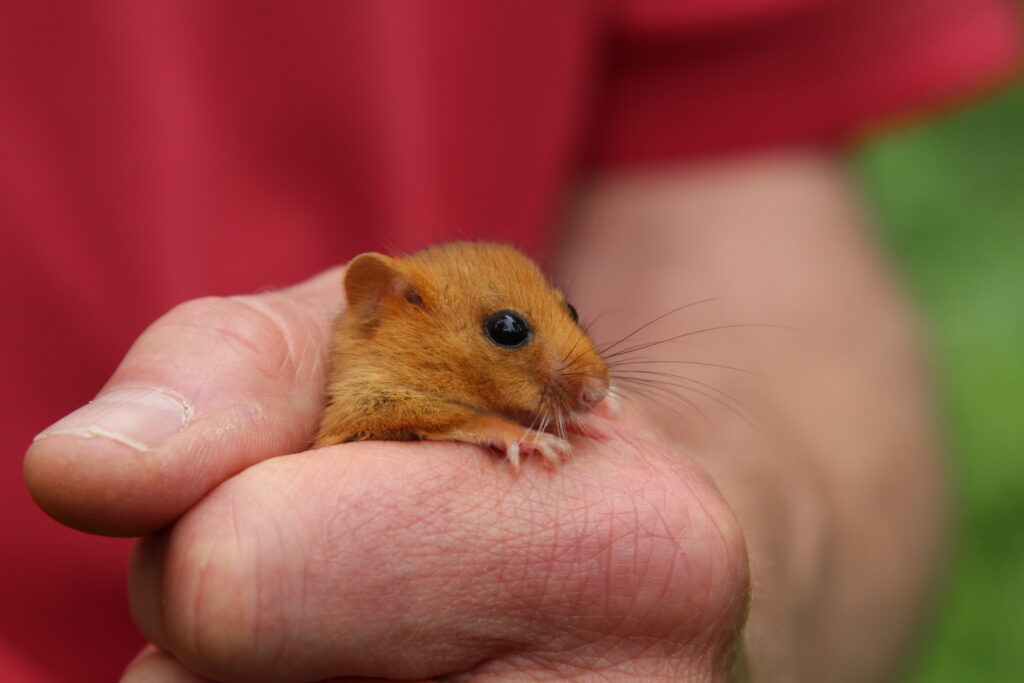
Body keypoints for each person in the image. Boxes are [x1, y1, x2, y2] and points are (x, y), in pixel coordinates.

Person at [4, 1, 1020, 680]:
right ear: (385, 306)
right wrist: (481, 432)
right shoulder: (378, 366)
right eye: (510, 331)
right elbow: (370, 425)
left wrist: (703, 576)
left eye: (563, 317)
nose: (573, 354)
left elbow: (728, 162)